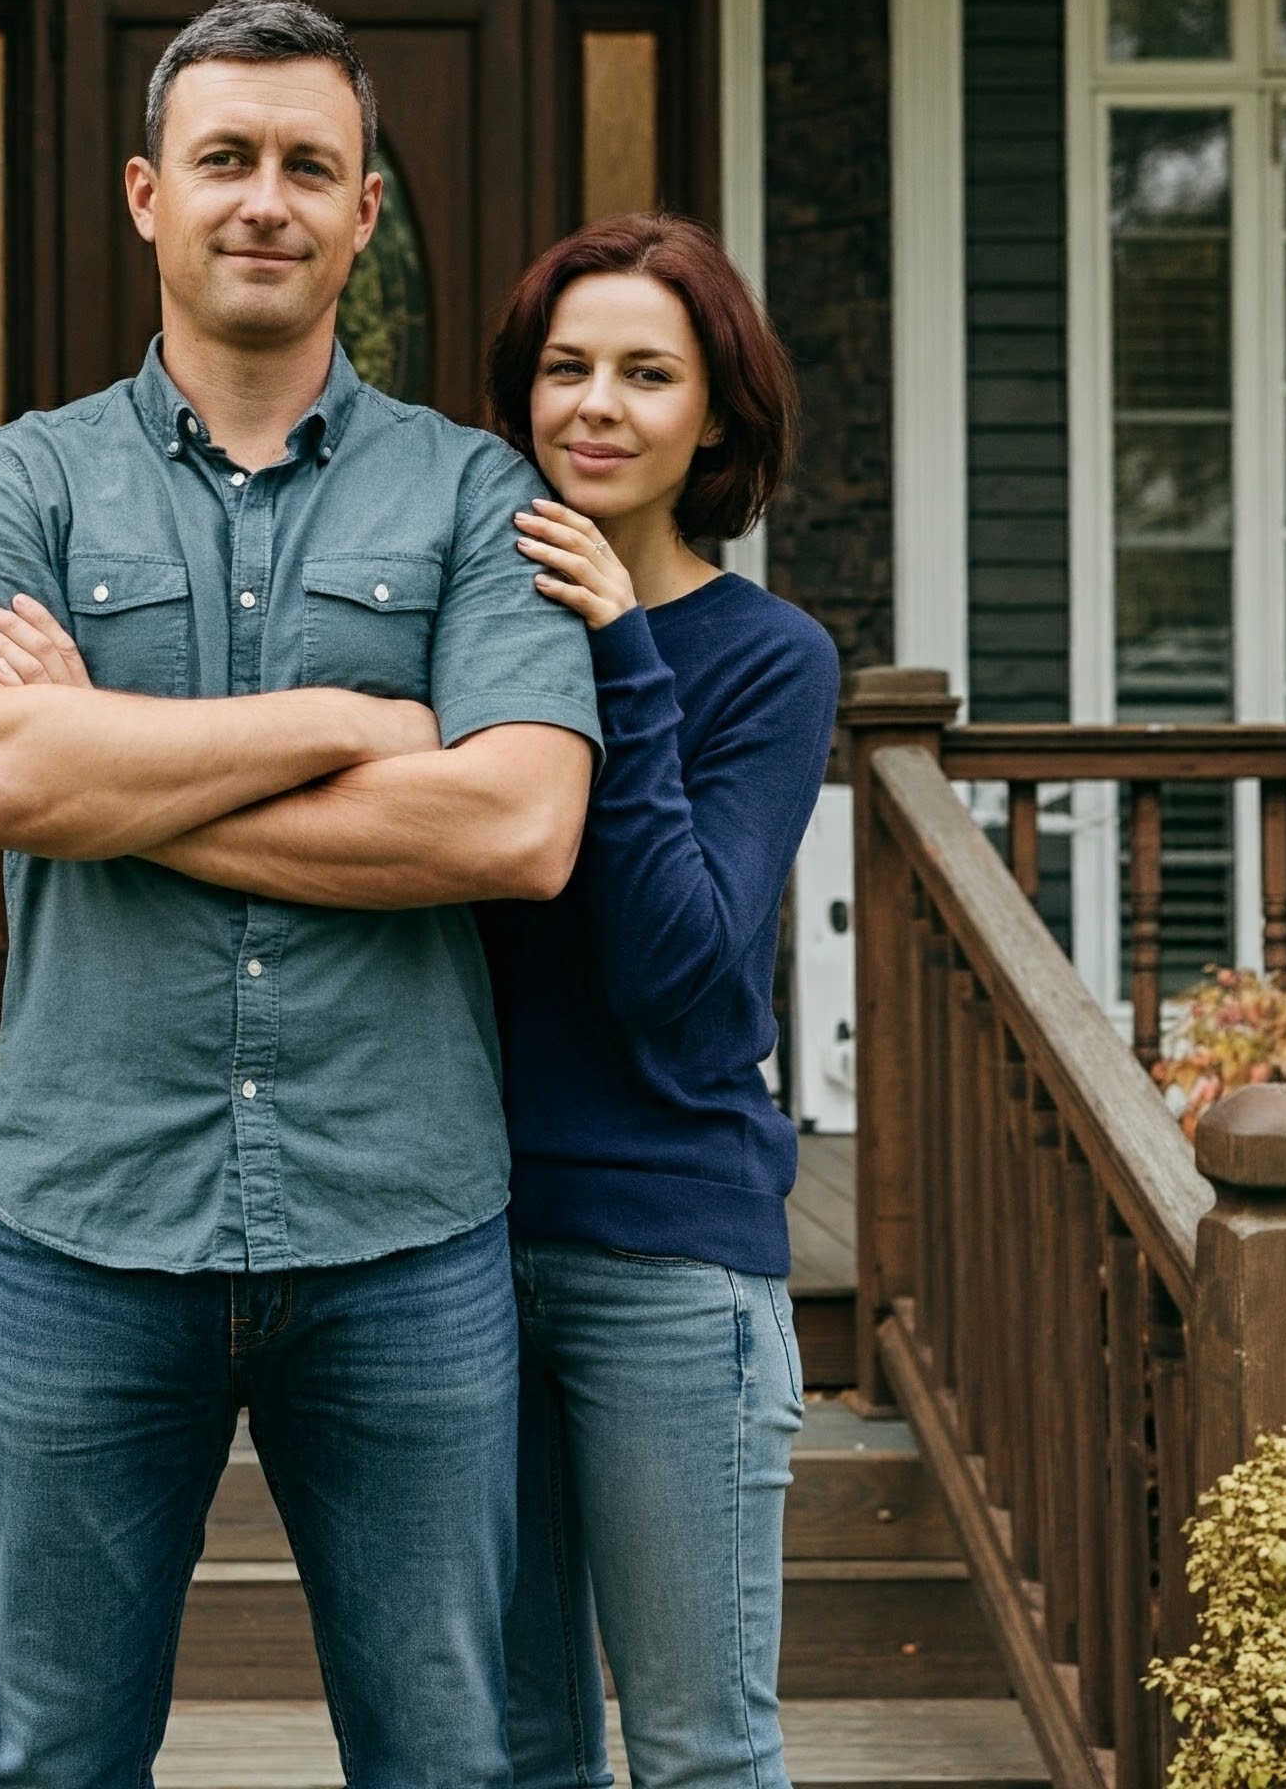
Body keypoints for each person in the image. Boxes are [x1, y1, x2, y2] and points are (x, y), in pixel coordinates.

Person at [0, 0, 601, 1789]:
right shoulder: (20, 485)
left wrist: (111, 775)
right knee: (57, 1760)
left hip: (403, 1229)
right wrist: (346, 719)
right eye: (226, 159)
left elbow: (514, 829)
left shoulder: (476, 498)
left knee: (443, 1759)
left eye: (311, 165)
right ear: (149, 193)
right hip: (85, 1228)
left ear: (368, 211)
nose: (265, 200)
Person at [476, 213, 840, 1789]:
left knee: (698, 1752)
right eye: (565, 370)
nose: (597, 407)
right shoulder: (468, 627)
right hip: (451, 1257)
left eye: (645, 371)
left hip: (672, 1267)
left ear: (715, 417)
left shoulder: (767, 659)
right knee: (514, 1750)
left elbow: (687, 987)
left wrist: (625, 651)